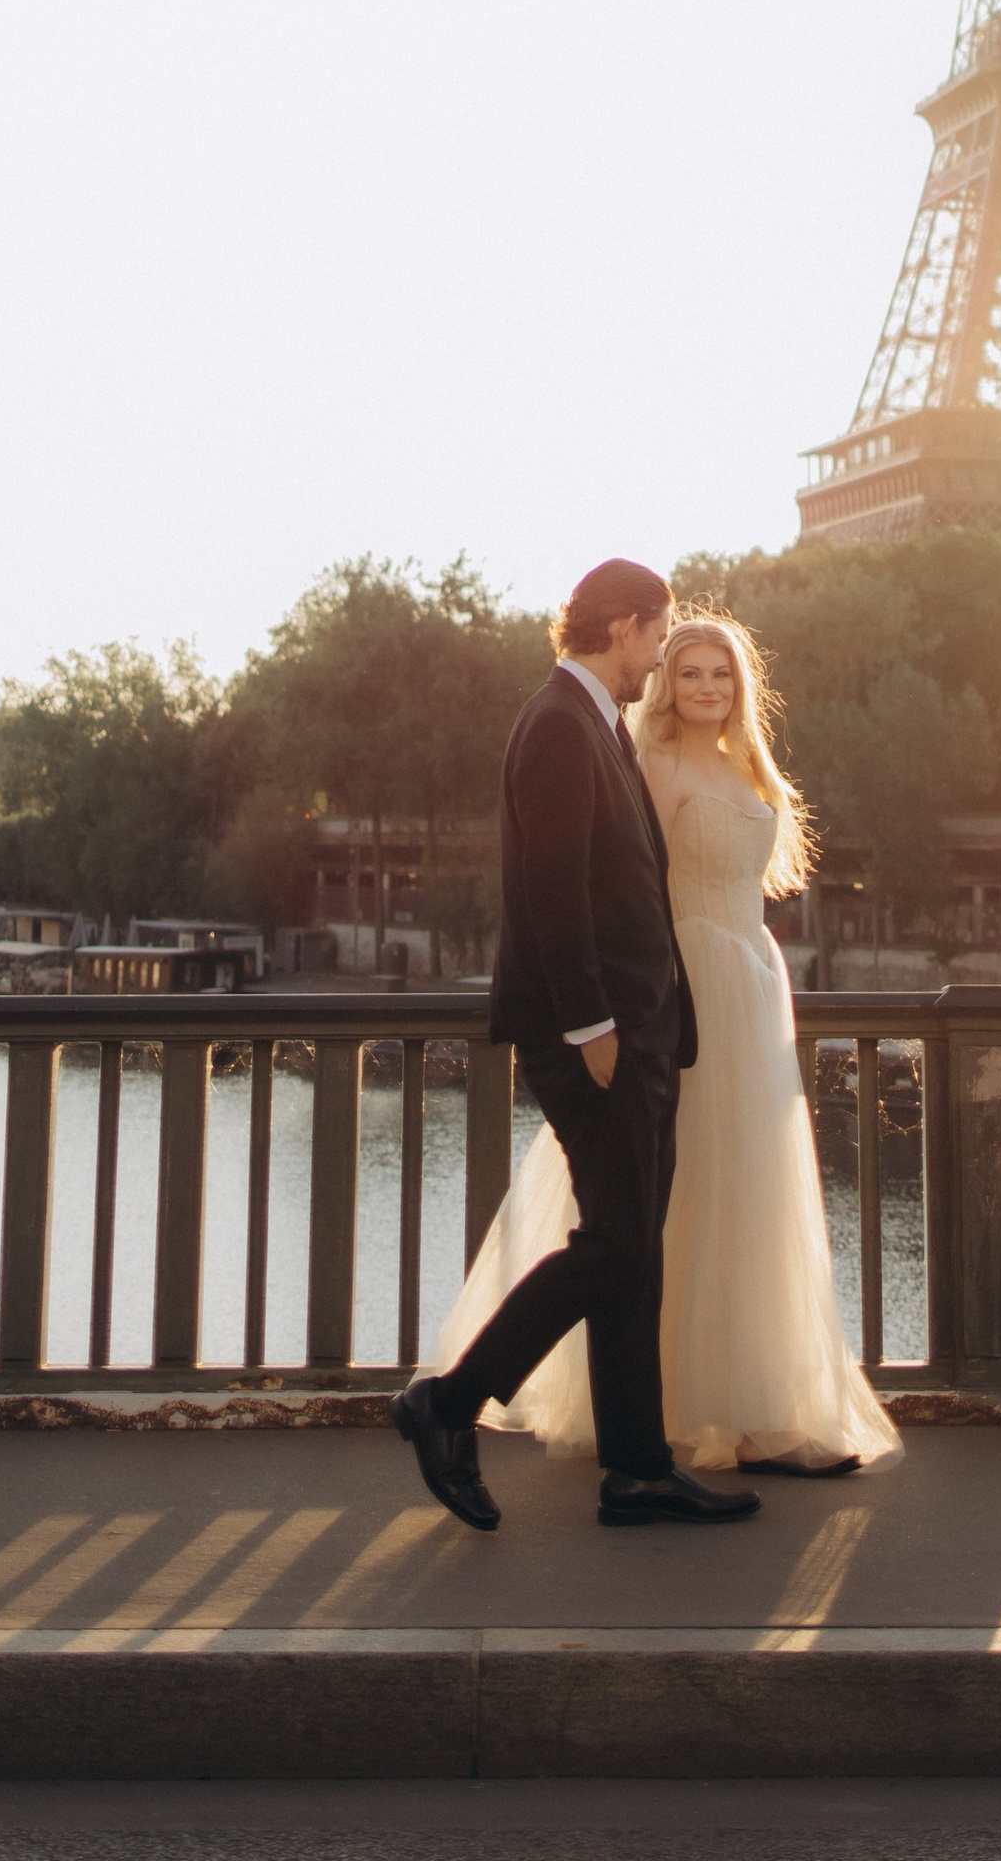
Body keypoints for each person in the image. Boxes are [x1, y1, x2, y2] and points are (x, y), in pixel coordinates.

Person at [434, 610, 900, 1478]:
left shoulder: (749, 768)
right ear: (659, 671)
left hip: (752, 987)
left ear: (741, 685)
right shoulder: (642, 761)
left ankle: (757, 1412)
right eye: (686, 670)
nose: (703, 687)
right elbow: (608, 884)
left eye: (720, 674)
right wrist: (605, 1015)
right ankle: (665, 1420)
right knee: (661, 1211)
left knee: (748, 1192)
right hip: (684, 987)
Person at [392, 558, 761, 1532]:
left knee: (629, 1251)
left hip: (637, 1030)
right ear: (627, 626)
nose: (661, 654)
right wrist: (593, 1028)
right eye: (660, 634)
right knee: (617, 1245)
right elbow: (551, 892)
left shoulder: (589, 720)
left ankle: (637, 1468)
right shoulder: (559, 724)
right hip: (599, 1037)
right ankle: (448, 1401)